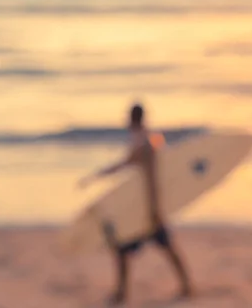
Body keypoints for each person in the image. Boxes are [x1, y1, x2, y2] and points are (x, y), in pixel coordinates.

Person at [78, 103, 193, 306]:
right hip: (142, 208)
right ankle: (184, 286)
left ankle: (182, 287)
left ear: (133, 119)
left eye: (128, 117)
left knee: (136, 247)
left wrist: (154, 210)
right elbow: (127, 163)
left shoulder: (147, 143)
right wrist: (97, 176)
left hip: (147, 209)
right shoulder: (146, 140)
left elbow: (151, 179)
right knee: (149, 247)